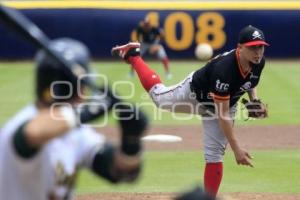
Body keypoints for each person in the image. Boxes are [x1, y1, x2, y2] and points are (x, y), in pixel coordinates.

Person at [112, 25, 269, 197]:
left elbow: (250, 82)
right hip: (194, 95)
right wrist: (236, 148)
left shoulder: (258, 62)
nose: (258, 52)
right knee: (159, 98)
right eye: (253, 47)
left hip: (224, 103)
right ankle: (133, 55)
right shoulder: (224, 70)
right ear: (240, 48)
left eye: (260, 46)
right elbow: (222, 115)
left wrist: (254, 100)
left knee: (214, 155)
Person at [0, 38, 148, 200]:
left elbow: (121, 172)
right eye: (82, 85)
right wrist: (86, 111)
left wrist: (131, 143)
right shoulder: (25, 124)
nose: (85, 93)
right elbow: (31, 135)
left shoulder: (75, 132)